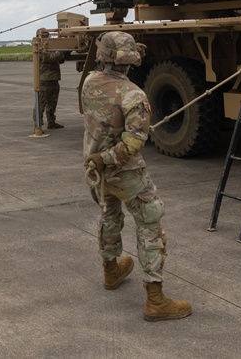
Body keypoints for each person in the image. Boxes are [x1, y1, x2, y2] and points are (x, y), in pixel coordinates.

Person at [82, 31, 192, 322]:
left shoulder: (89, 82)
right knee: (150, 227)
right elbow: (133, 143)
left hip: (97, 173)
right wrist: (108, 158)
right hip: (125, 173)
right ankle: (156, 300)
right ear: (131, 60)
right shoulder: (133, 94)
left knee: (109, 217)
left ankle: (110, 272)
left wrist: (99, 160)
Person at [37, 45, 67, 129]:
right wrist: (62, 50)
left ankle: (51, 122)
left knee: (52, 102)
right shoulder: (40, 49)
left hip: (54, 79)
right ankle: (38, 125)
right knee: (41, 103)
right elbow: (50, 58)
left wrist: (65, 54)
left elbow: (60, 60)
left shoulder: (51, 49)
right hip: (45, 80)